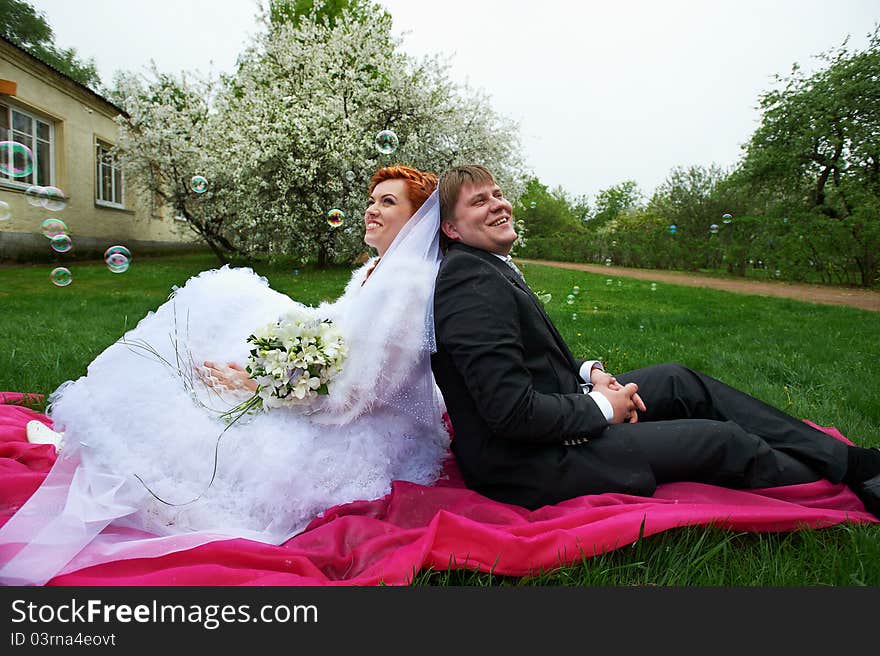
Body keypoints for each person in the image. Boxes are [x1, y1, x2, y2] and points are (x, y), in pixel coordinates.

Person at [0, 165, 451, 586]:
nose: (372, 209)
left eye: (388, 202)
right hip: (332, 386)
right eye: (372, 199)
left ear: (418, 219)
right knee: (224, 297)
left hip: (364, 427)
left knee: (225, 428)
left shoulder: (406, 285)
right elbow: (339, 328)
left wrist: (264, 384)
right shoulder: (378, 269)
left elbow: (357, 397)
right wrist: (282, 352)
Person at [430, 163, 880, 518]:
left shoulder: (485, 267)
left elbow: (527, 358)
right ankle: (845, 482)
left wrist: (590, 375)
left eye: (498, 194)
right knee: (722, 442)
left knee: (678, 380)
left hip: (552, 415)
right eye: (478, 202)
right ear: (451, 229)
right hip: (526, 462)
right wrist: (605, 408)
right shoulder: (469, 283)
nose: (497, 204)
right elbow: (511, 413)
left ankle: (849, 460)